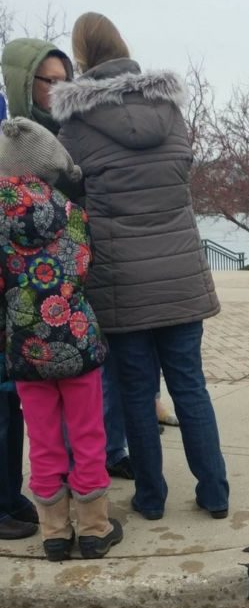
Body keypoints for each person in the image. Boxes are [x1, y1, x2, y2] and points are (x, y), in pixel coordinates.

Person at [51, 13, 228, 520]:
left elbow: (68, 190)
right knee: (191, 385)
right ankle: (215, 492)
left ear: (81, 58)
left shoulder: (78, 123)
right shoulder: (168, 108)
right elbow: (182, 171)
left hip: (119, 279)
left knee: (136, 392)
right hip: (179, 274)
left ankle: (151, 497)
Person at [1, 37, 132, 482]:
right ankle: (83, 508)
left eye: (64, 80)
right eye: (49, 81)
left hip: (55, 310)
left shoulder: (79, 128)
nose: (59, 90)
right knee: (55, 422)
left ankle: (59, 512)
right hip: (45, 314)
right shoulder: (12, 139)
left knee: (68, 423)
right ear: (25, 81)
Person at [0, 118, 123, 559]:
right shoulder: (72, 212)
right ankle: (93, 528)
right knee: (88, 435)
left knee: (44, 438)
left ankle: (54, 533)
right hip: (77, 342)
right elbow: (84, 267)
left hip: (26, 349)